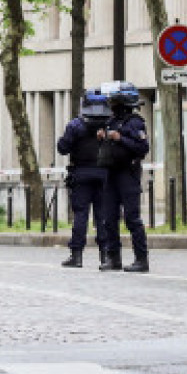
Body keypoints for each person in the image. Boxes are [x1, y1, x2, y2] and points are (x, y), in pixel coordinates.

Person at [97, 83, 150, 273]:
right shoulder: (111, 120)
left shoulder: (135, 122)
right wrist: (104, 137)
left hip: (128, 173)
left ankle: (141, 259)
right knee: (109, 218)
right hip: (111, 174)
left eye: (115, 101)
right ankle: (113, 258)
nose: (112, 104)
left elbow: (143, 148)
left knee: (131, 218)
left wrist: (121, 138)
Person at [56, 89, 110, 268]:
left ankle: (77, 256)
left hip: (81, 174)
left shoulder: (75, 125)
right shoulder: (109, 124)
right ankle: (105, 256)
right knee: (102, 216)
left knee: (81, 215)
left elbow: (62, 148)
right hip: (104, 175)